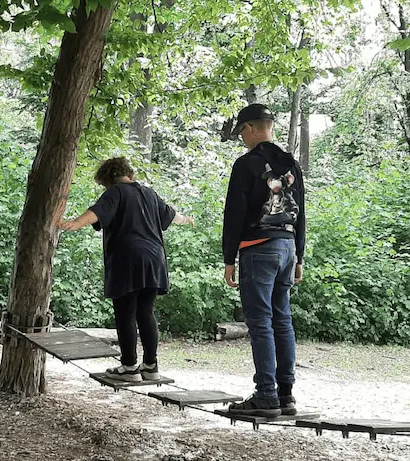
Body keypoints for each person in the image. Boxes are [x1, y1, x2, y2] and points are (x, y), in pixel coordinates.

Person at [59, 157, 194, 382]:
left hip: (127, 258)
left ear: (107, 179)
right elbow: (172, 216)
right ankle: (150, 366)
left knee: (125, 313)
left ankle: (130, 367)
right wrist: (187, 219)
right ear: (129, 173)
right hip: (155, 259)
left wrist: (74, 223)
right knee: (146, 312)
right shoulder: (149, 193)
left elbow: (97, 213)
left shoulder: (115, 192)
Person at [222, 103, 306, 418]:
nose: (242, 138)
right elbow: (301, 212)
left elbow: (234, 213)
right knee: (282, 319)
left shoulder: (246, 165)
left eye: (242, 132)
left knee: (260, 323)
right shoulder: (292, 165)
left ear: (252, 128)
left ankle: (266, 395)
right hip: (286, 247)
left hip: (258, 247)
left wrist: (229, 258)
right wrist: (299, 255)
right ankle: (286, 394)